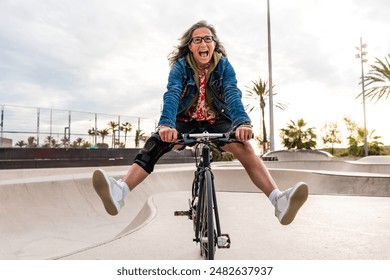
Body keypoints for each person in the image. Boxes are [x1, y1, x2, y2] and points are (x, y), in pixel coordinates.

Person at [92, 20, 308, 226]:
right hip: (184, 120)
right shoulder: (180, 67)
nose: (203, 43)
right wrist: (166, 125)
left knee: (245, 148)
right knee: (154, 144)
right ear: (190, 47)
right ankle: (120, 192)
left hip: (217, 120)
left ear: (214, 44)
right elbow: (173, 93)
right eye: (197, 40)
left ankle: (278, 201)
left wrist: (243, 122)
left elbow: (232, 92)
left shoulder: (223, 65)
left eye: (208, 39)